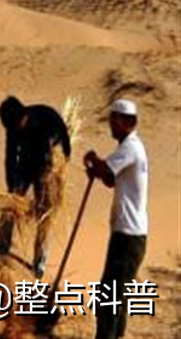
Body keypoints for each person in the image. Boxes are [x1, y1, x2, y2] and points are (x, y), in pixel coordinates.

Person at [84, 99, 148, 339]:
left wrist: (93, 159)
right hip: (127, 234)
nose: (110, 127)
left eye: (113, 121)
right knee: (115, 295)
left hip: (128, 236)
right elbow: (111, 180)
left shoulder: (130, 147)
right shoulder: (130, 147)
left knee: (108, 296)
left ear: (124, 122)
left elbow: (107, 171)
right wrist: (97, 168)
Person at [0, 94, 72, 278]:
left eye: (15, 126)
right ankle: (3, 243)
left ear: (23, 117)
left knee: (44, 215)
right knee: (9, 205)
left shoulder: (49, 119)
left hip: (47, 171)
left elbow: (66, 148)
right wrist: (12, 186)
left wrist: (56, 172)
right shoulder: (13, 127)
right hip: (26, 165)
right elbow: (10, 157)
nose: (13, 130)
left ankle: (39, 263)